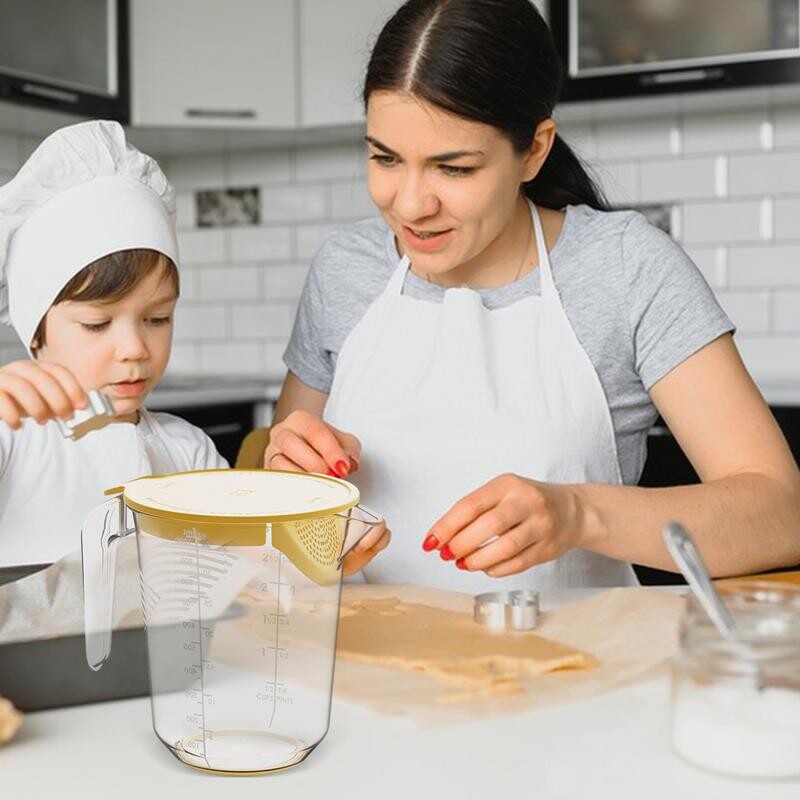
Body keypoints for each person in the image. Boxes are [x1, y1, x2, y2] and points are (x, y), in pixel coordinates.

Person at [266, 0, 800, 591]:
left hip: (577, 673)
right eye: (385, 158)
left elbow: (779, 514)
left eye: (455, 168)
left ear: (535, 149)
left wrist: (577, 514)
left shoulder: (624, 267)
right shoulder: (345, 269)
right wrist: (283, 482)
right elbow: (283, 527)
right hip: (364, 673)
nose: (411, 205)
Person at [0, 120, 228, 567]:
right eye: (98, 323)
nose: (135, 348)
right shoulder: (13, 443)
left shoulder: (188, 450)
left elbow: (239, 572)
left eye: (157, 318)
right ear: (35, 333)